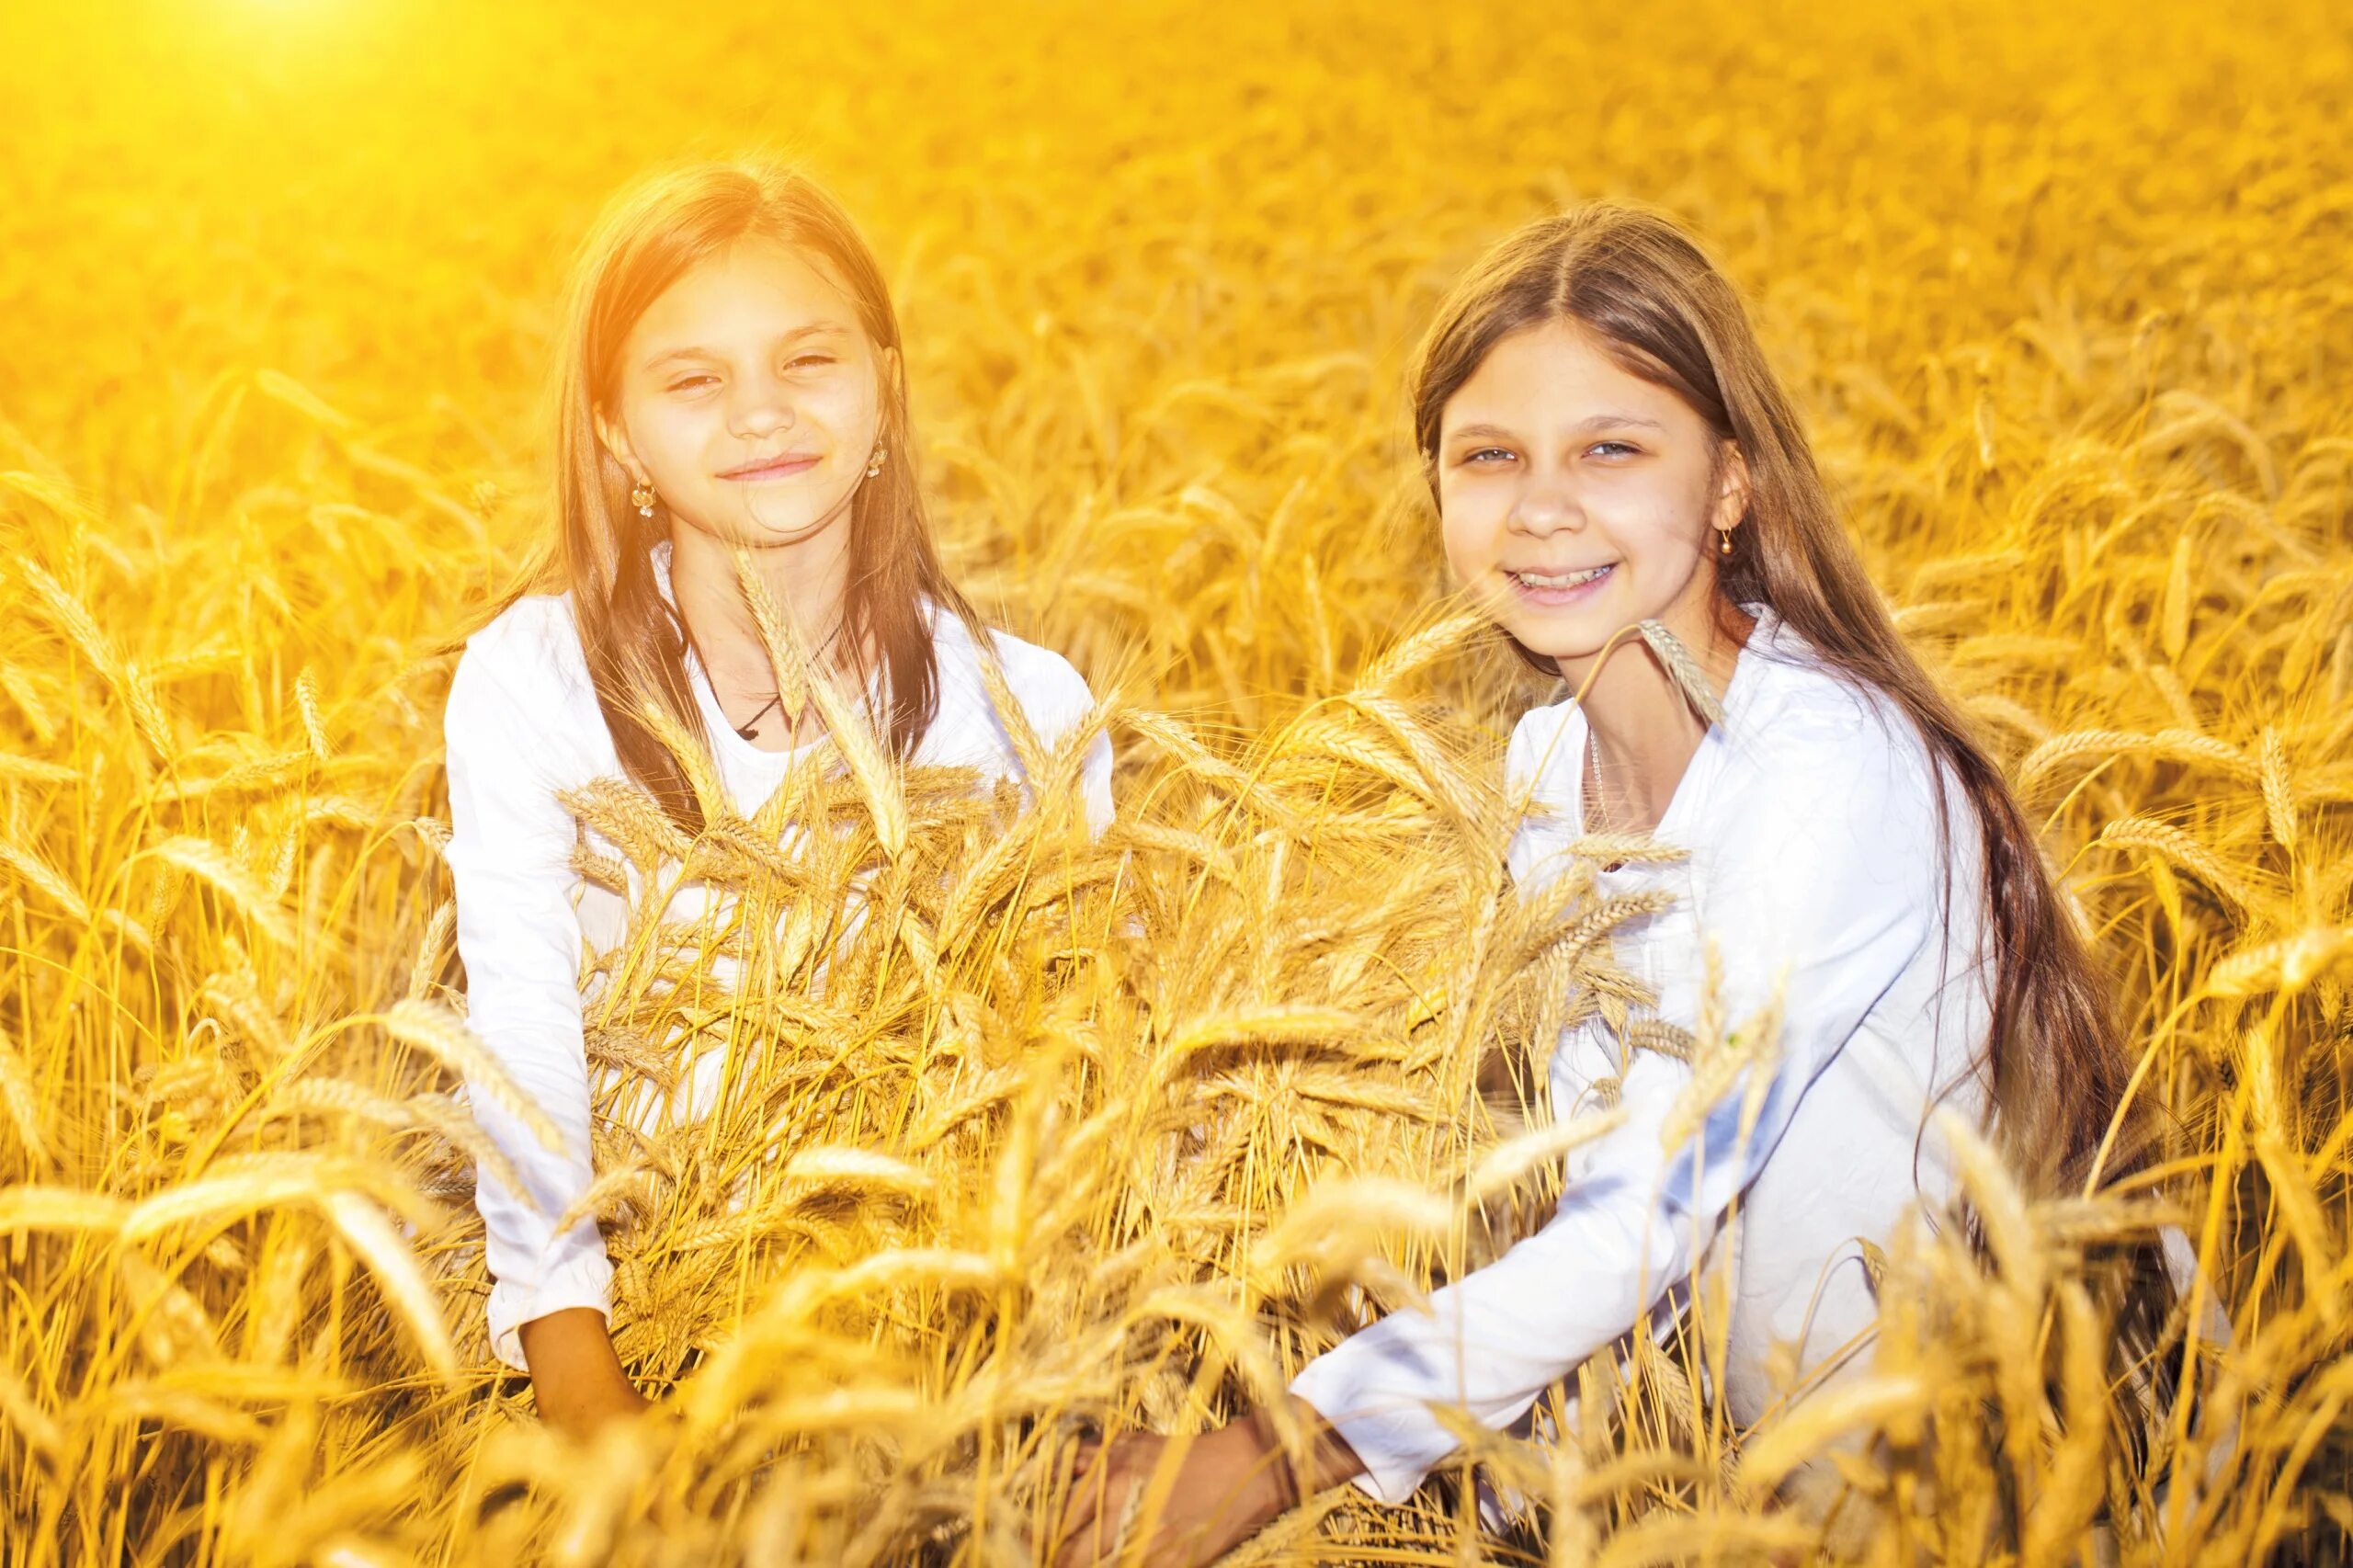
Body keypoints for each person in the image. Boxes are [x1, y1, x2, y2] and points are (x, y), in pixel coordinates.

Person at [1050, 204, 2149, 1564]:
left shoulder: (1832, 765)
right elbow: (1539, 1166)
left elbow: (1649, 1204)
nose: (1543, 505)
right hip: (1680, 1500)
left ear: (1732, 484)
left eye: (1612, 449)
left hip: (1925, 1506)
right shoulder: (1542, 759)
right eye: (1489, 456)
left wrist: (1280, 1453)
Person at [442, 161, 1111, 1438]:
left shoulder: (1026, 708)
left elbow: (1074, 1089)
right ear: (615, 432)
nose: (762, 415)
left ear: (885, 388)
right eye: (694, 380)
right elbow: (524, 1047)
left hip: (934, 1357)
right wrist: (593, 1406)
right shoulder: (529, 683)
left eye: (809, 361)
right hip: (617, 1320)